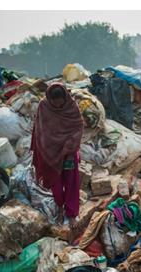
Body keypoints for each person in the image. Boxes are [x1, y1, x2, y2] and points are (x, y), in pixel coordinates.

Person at [31, 83, 84, 227]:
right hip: (50, 153)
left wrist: (69, 145)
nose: (59, 107)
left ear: (65, 98)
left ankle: (72, 214)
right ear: (50, 100)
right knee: (56, 183)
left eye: (61, 104)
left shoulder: (71, 106)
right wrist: (45, 147)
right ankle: (60, 208)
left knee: (71, 182)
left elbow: (78, 126)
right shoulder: (44, 107)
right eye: (56, 105)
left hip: (68, 153)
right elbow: (40, 130)